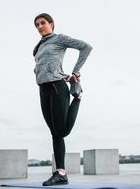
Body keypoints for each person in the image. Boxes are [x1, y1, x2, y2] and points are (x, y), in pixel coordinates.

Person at [32, 13, 93, 186]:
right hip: (43, 89)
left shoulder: (59, 39)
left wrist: (75, 72)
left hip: (57, 87)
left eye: (42, 23)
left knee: (62, 132)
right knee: (54, 133)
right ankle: (60, 173)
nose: (39, 27)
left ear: (51, 24)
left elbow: (86, 47)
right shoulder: (38, 47)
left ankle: (78, 98)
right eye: (36, 25)